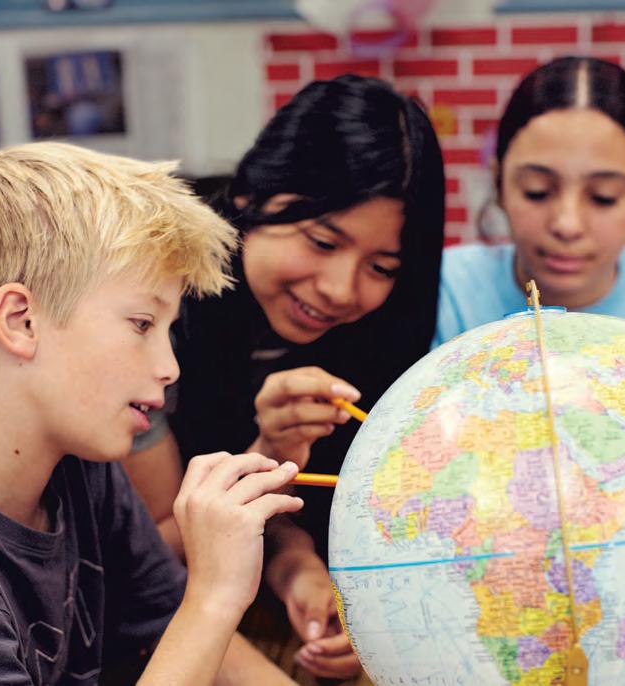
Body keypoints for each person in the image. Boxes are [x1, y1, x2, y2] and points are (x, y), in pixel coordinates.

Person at [0, 142, 306, 684]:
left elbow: (172, 624)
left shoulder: (83, 471)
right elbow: (193, 622)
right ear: (20, 322)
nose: (169, 368)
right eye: (142, 324)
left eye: (168, 330)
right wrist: (215, 597)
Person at [123, 73, 445, 682]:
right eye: (322, 241)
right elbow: (147, 563)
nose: (340, 289)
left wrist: (307, 575)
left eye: (381, 267)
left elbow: (306, 517)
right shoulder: (158, 312)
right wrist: (265, 455)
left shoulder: (380, 334)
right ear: (252, 194)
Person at [434, 56, 625, 347]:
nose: (567, 225)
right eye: (537, 192)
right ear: (499, 183)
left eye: (603, 197)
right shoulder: (441, 292)